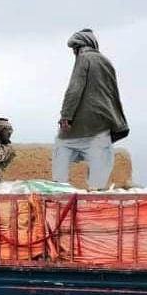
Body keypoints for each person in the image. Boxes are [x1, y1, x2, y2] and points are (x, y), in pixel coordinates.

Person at [52, 28, 129, 190]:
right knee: (99, 173)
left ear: (81, 47)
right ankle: (96, 192)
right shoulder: (107, 62)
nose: (74, 53)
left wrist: (66, 115)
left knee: (61, 147)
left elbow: (75, 87)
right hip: (103, 125)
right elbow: (113, 94)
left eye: (75, 49)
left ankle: (60, 190)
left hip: (81, 126)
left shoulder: (84, 58)